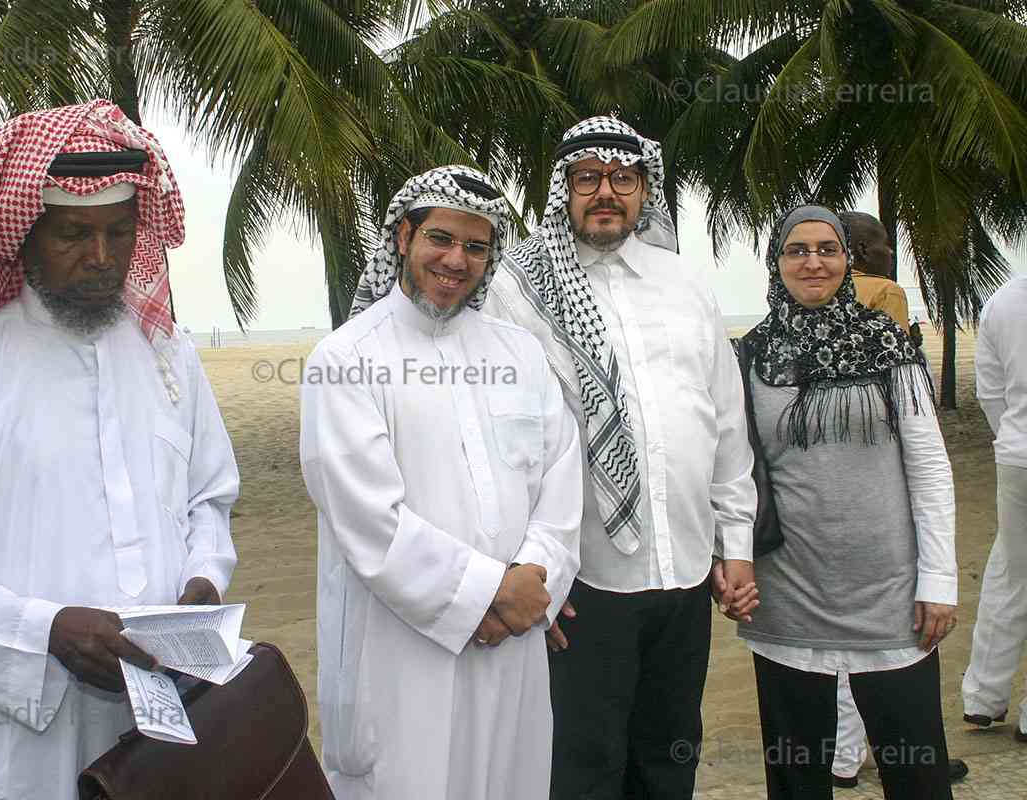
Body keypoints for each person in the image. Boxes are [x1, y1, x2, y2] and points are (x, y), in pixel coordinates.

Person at [0, 101, 241, 800]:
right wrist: (48, 632)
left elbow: (209, 498)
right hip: (27, 730)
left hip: (171, 705)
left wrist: (204, 583)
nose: (100, 258)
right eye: (73, 233)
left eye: (119, 233)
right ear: (24, 234)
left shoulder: (168, 359)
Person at [485, 116, 758, 799]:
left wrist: (738, 544)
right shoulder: (516, 289)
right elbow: (501, 446)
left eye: (623, 178)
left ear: (644, 190)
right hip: (581, 582)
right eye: (587, 178)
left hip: (687, 571)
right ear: (563, 190)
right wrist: (526, 571)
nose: (606, 192)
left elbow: (724, 421)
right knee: (582, 762)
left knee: (669, 754)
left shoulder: (684, 283)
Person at [304, 166, 584, 800]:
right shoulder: (346, 360)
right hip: (402, 650)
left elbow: (560, 483)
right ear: (403, 237)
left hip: (513, 642)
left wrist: (532, 584)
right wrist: (488, 596)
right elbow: (369, 522)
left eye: (476, 246)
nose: (456, 260)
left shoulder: (520, 354)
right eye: (440, 239)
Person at [735, 204, 958, 800]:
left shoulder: (885, 343)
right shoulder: (752, 355)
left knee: (917, 775)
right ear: (776, 263)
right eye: (797, 250)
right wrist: (731, 562)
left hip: (889, 598)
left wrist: (938, 579)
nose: (813, 261)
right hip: (787, 595)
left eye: (827, 249)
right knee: (796, 778)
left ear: (846, 260)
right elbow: (736, 474)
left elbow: (929, 465)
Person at [830, 211, 967, 789]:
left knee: (831, 642)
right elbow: (899, 384)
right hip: (880, 470)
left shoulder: (799, 306)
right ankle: (905, 760)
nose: (891, 251)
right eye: (883, 242)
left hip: (827, 486)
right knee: (887, 644)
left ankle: (841, 758)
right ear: (862, 248)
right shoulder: (885, 293)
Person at [962, 273, 1027, 742]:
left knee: (1010, 570)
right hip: (1016, 449)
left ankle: (983, 695)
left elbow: (991, 389)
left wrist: (1010, 436)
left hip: (1017, 455)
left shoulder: (1003, 300)